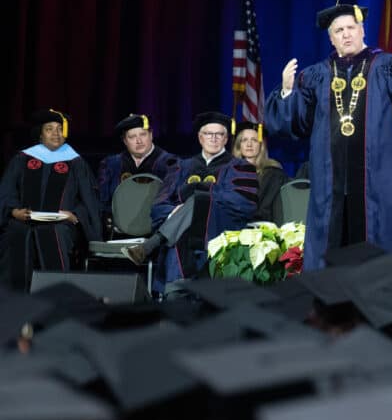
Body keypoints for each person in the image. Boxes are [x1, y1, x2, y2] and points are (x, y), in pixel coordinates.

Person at [265, 3, 392, 270]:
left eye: (351, 27)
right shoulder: (316, 75)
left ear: (362, 31)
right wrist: (287, 91)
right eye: (339, 30)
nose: (346, 34)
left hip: (377, 184)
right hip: (331, 186)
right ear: (331, 38)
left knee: (380, 250)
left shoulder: (387, 67)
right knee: (331, 250)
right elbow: (294, 125)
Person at [124, 112, 257, 288]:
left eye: (219, 134)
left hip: (219, 227)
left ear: (226, 139)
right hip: (181, 231)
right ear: (200, 138)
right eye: (208, 134)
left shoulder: (240, 167)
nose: (213, 138)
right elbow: (160, 204)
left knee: (197, 200)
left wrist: (203, 194)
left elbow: (243, 203)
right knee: (184, 224)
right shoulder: (182, 166)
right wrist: (173, 212)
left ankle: (152, 244)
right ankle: (175, 291)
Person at [0, 109, 100, 291]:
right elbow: (6, 191)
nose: (56, 133)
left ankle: (57, 295)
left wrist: (74, 215)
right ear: (40, 134)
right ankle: (12, 299)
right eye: (49, 129)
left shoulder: (75, 161)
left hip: (62, 224)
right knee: (15, 231)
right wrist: (14, 211)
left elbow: (89, 200)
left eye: (60, 129)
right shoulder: (22, 158)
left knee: (55, 232)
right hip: (24, 221)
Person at [96, 114, 179, 233]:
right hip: (119, 231)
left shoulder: (170, 164)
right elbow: (102, 201)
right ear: (125, 141)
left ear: (151, 135)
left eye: (143, 134)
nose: (139, 141)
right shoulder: (111, 165)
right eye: (132, 137)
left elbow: (174, 201)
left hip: (158, 231)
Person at [233, 122, 289, 222]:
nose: (249, 144)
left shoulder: (272, 175)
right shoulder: (230, 173)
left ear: (261, 145)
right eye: (244, 140)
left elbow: (267, 210)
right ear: (238, 146)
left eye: (254, 140)